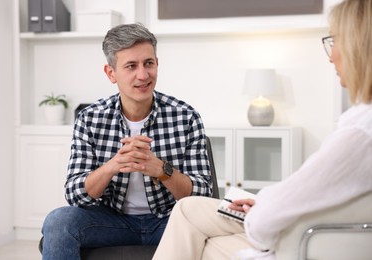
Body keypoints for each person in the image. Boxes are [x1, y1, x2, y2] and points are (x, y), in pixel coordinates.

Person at [152, 0, 372, 259]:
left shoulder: (360, 133)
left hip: (301, 243)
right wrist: (263, 205)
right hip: (301, 227)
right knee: (188, 210)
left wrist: (263, 210)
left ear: (358, 46)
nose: (331, 55)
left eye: (335, 41)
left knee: (204, 241)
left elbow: (265, 225)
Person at [41, 23, 212, 260]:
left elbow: (204, 194)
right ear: (111, 73)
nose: (143, 75)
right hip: (111, 222)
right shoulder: (90, 118)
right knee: (58, 222)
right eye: (131, 66)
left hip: (170, 222)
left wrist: (163, 171)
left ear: (157, 64)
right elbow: (75, 194)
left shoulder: (185, 116)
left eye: (148, 63)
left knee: (212, 232)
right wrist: (113, 165)